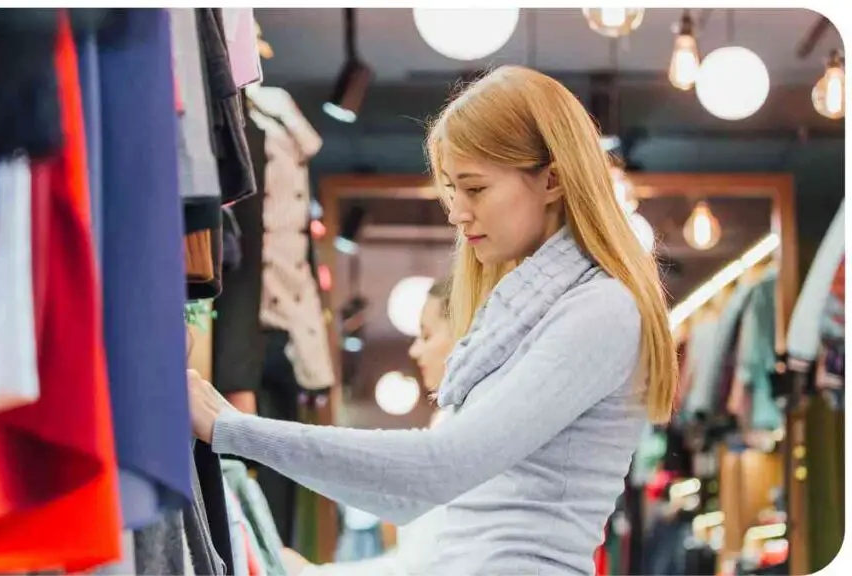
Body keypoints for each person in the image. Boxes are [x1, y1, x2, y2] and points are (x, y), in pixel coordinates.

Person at [188, 65, 678, 575]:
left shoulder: (600, 310)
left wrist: (235, 429)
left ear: (552, 178)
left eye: (475, 188)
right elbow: (418, 504)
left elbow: (436, 470)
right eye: (451, 191)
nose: (457, 212)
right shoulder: (526, 317)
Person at [282, 277, 456, 576]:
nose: (414, 351)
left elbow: (422, 567)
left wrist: (307, 573)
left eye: (426, 336)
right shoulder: (454, 423)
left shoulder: (458, 430)